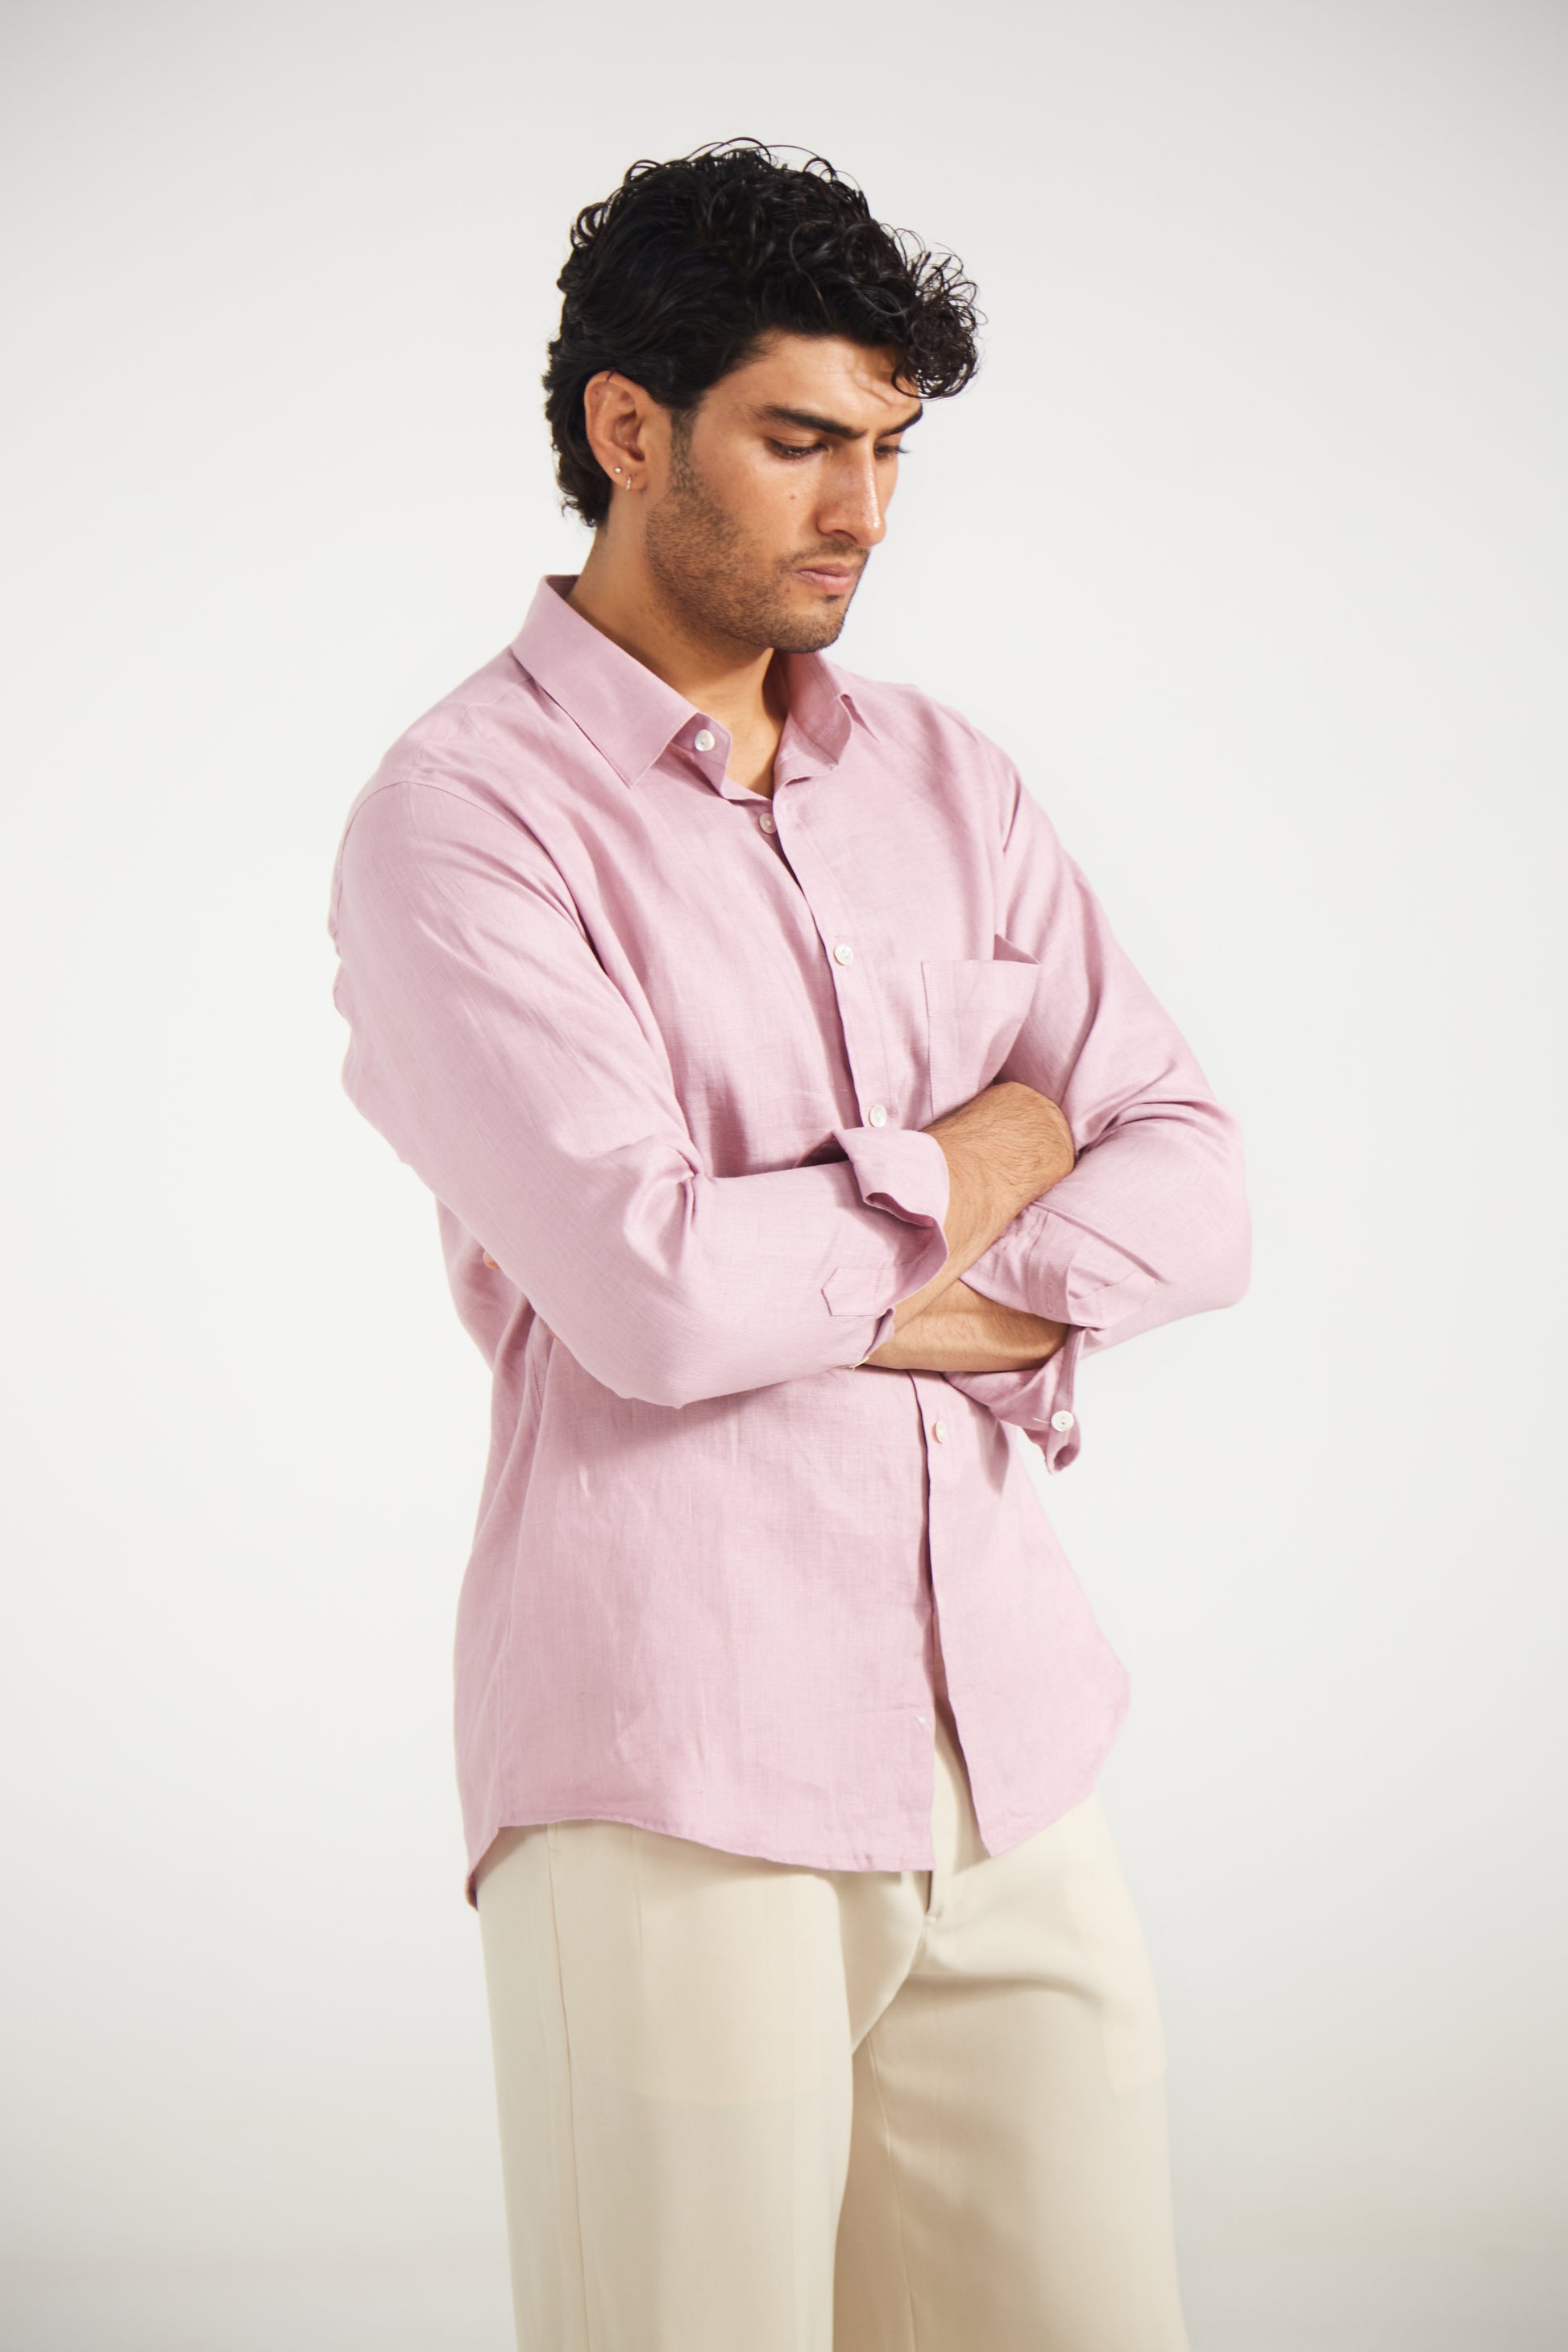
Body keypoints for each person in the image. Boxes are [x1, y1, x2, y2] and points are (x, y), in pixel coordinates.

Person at [326, 139, 1250, 2352]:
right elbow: (653, 1299)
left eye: (890, 450)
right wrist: (992, 1148)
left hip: (1008, 1756)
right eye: (802, 441)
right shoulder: (462, 821)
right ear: (627, 429)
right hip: (675, 1770)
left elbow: (1198, 1178)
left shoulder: (948, 782)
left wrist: (852, 1277)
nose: (863, 511)